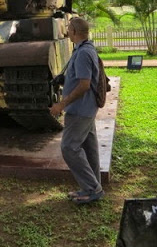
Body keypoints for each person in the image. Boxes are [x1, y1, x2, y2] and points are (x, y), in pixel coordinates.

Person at [50, 17, 103, 204]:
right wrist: (64, 80)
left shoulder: (83, 53)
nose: (67, 32)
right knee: (89, 149)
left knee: (69, 148)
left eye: (68, 29)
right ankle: (94, 185)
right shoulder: (85, 49)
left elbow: (84, 85)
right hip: (87, 108)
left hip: (80, 110)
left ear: (74, 31)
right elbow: (82, 78)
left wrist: (61, 104)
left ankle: (92, 188)